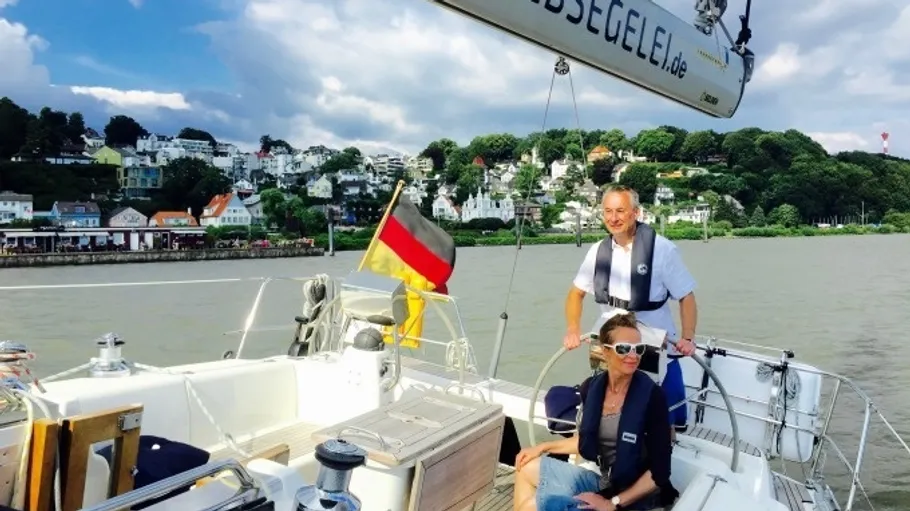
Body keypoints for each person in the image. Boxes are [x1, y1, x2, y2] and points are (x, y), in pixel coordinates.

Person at [564, 184, 698, 433]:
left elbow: (686, 297)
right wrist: (573, 329)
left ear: (635, 213)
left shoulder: (663, 250)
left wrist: (688, 337)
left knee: (662, 412)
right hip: (611, 341)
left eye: (620, 211)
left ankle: (662, 457)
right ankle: (607, 452)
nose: (613, 218)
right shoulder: (597, 252)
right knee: (608, 403)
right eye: (608, 211)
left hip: (653, 342)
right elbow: (576, 293)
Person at [512, 313, 678, 511]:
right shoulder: (592, 388)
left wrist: (612, 503)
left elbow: (659, 472)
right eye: (624, 349)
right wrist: (543, 447)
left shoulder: (653, 397)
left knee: (534, 506)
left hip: (638, 498)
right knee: (526, 466)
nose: (633, 356)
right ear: (605, 351)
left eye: (638, 349)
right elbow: (587, 440)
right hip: (607, 485)